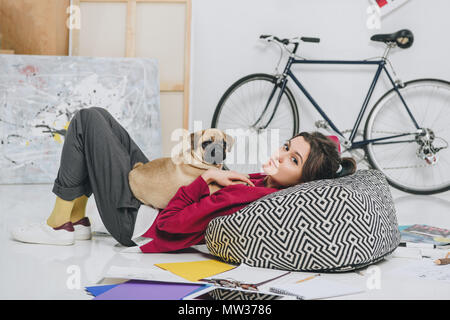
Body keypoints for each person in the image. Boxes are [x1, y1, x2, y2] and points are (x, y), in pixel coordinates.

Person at [11, 107, 356, 252]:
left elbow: (173, 225)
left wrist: (205, 180)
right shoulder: (262, 183)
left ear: (301, 181)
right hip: (150, 199)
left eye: (292, 160)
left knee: (87, 121)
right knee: (102, 120)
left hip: (136, 223)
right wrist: (209, 175)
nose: (279, 156)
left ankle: (58, 225)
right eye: (286, 147)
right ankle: (77, 220)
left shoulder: (247, 196)